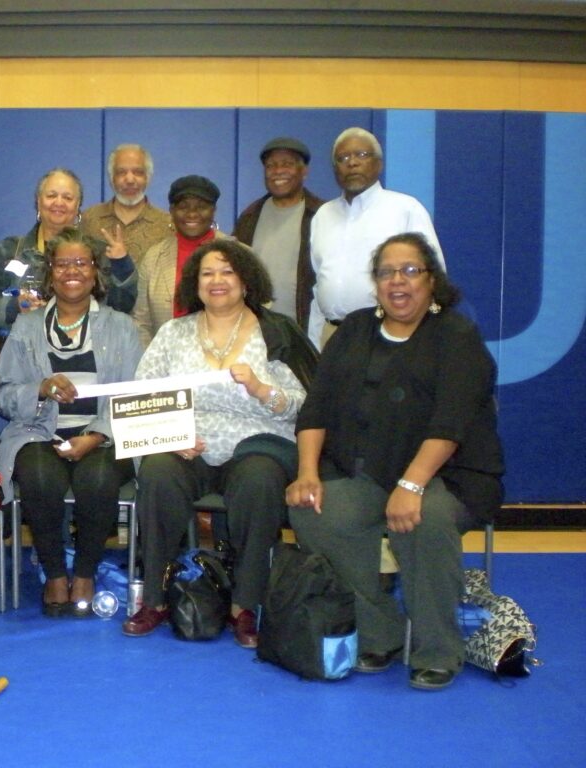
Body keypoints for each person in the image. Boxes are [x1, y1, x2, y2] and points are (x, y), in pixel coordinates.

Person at [287, 232, 504, 691]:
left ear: (432, 280)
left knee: (421, 521)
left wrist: (412, 485)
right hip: (367, 471)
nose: (397, 282)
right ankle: (379, 631)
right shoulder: (355, 330)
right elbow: (317, 407)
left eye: (410, 271)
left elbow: (451, 423)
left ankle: (437, 650)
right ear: (375, 282)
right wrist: (307, 473)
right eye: (387, 272)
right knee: (315, 510)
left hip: (446, 473)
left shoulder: (456, 336)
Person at [122, 239, 318, 647]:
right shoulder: (173, 333)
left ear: (246, 281)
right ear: (195, 284)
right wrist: (171, 436)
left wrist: (262, 388)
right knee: (157, 473)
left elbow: (302, 406)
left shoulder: (275, 331)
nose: (217, 281)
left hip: (256, 442)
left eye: (227, 271)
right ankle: (155, 599)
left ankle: (243, 605)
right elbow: (141, 398)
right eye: (208, 273)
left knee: (260, 480)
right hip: (187, 444)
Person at [0, 228, 142, 617]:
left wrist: (96, 435)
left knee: (97, 479)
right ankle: (56, 574)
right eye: (62, 264)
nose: (71, 271)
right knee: (39, 477)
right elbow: (3, 393)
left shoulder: (121, 327)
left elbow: (133, 395)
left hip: (105, 436)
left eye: (81, 263)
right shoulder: (26, 328)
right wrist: (39, 389)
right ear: (50, 273)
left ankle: (86, 573)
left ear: (96, 271)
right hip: (39, 433)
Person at [308, 127, 444, 348]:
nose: (352, 163)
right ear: (335, 170)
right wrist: (314, 341)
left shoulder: (405, 209)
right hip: (331, 336)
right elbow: (319, 283)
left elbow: (433, 279)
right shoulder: (323, 215)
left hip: (388, 334)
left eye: (361, 155)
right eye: (343, 158)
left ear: (379, 164)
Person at [0, 168, 136, 339]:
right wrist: (15, 307)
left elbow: (122, 307)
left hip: (87, 352)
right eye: (51, 195)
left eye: (67, 198)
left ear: (78, 206)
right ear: (38, 201)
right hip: (24, 352)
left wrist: (121, 264)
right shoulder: (11, 251)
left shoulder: (99, 253)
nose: (59, 203)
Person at [233, 137, 324, 330]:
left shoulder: (321, 215)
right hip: (254, 330)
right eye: (270, 166)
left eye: (287, 164)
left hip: (305, 331)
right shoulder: (249, 217)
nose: (278, 171)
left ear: (304, 171)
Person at [132, 175, 233, 348]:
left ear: (213, 210)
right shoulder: (154, 257)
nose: (192, 214)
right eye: (183, 207)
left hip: (226, 362)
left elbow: (257, 312)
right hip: (168, 364)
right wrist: (153, 364)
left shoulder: (238, 254)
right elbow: (141, 322)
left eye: (201, 207)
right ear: (171, 210)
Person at [81, 143, 171, 265]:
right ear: (111, 178)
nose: (129, 180)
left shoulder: (168, 225)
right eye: (121, 172)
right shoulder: (88, 220)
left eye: (138, 172)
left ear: (148, 178)